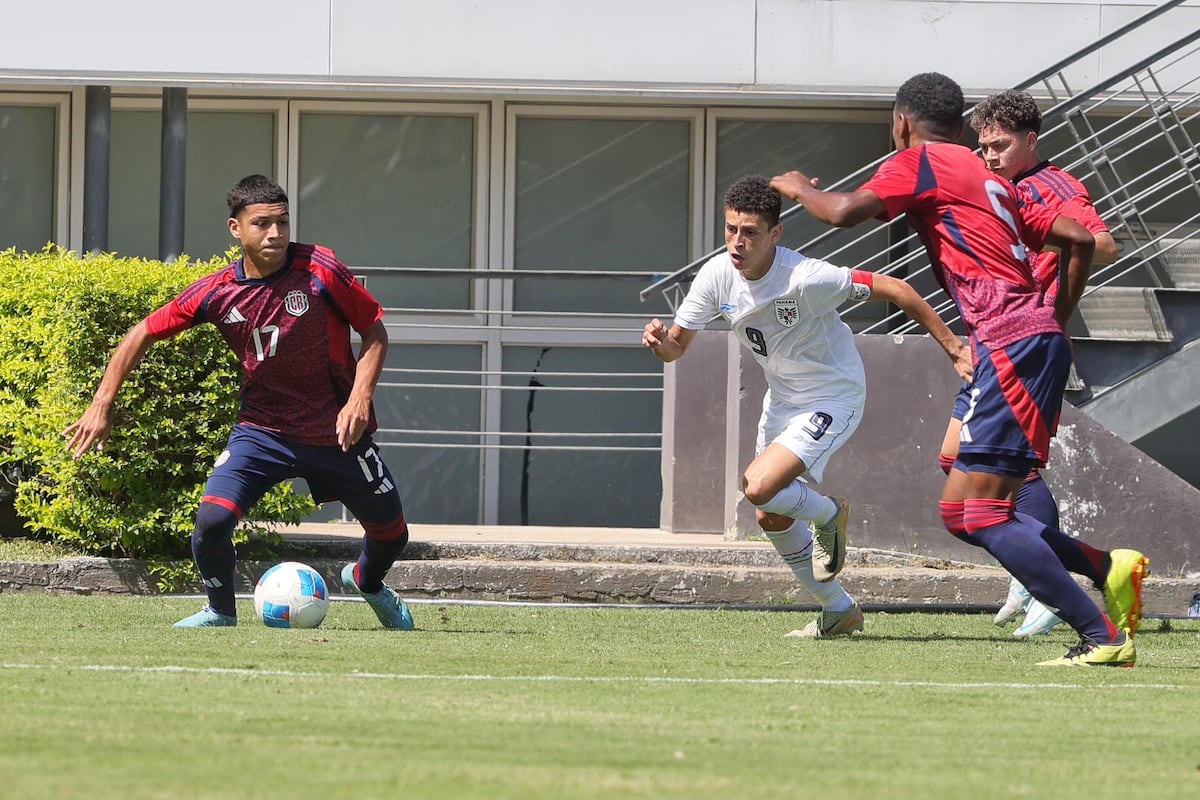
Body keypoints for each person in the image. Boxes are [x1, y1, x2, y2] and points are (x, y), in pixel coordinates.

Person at [771, 72, 1146, 667]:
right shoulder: (989, 177)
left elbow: (842, 212)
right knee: (962, 509)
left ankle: (1100, 635)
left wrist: (797, 189)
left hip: (1010, 344)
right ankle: (1106, 568)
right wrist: (1053, 319)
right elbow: (1075, 239)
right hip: (1023, 341)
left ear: (901, 122)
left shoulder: (923, 161)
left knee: (984, 512)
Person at [63, 174, 415, 630]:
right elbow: (143, 331)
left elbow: (374, 331)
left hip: (335, 431)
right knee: (212, 520)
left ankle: (367, 581)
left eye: (283, 222)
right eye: (263, 224)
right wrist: (100, 403)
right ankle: (220, 611)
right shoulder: (216, 292)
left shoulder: (320, 269)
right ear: (236, 229)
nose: (275, 234)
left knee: (392, 535)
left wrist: (359, 397)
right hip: (262, 431)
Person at [643, 174, 972, 638]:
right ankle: (838, 609)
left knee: (758, 485)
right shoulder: (717, 275)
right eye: (731, 229)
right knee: (768, 512)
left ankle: (830, 515)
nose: (737, 242)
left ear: (775, 234)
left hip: (833, 396)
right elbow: (677, 347)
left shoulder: (807, 278)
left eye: (750, 232)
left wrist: (955, 348)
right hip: (782, 400)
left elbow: (898, 288)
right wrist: (658, 344)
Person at [942, 89, 1145, 637]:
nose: (990, 156)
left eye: (1001, 145)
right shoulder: (994, 185)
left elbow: (1101, 244)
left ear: (1031, 141)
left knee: (1007, 479)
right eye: (983, 146)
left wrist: (1052, 283)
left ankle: (1044, 583)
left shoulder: (1051, 185)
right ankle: (1060, 564)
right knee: (953, 466)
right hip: (991, 341)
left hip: (1026, 345)